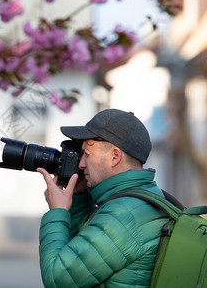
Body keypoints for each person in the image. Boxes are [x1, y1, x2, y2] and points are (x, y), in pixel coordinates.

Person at [37, 109, 169, 288]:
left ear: (114, 156)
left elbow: (58, 278)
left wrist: (57, 212)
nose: (81, 164)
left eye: (87, 154)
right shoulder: (139, 200)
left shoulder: (123, 216)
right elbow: (77, 253)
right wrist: (79, 197)